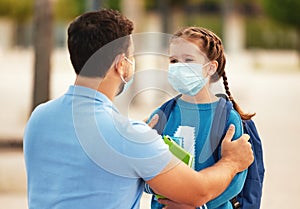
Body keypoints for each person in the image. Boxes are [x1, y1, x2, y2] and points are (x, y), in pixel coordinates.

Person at [23, 9, 253, 209]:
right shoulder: (129, 136)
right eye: (132, 56)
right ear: (121, 64)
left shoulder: (39, 118)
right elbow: (198, 192)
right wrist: (232, 162)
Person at [146, 27, 256, 209]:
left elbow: (236, 179)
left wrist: (196, 204)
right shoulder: (161, 115)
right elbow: (145, 171)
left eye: (188, 60)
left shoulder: (227, 118)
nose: (179, 66)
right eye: (174, 61)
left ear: (210, 68)